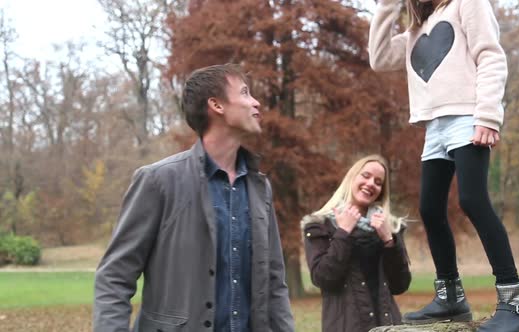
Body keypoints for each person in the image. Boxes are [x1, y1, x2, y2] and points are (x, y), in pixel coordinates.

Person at [369, 0, 519, 331]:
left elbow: (490, 55)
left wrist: (488, 115)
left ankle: (515, 303)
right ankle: (451, 298)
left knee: (472, 201)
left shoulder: (466, 4)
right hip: (435, 126)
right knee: (429, 209)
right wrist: (387, 5)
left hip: (468, 115)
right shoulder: (418, 28)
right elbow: (379, 58)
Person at [93, 64, 295, 332]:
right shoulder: (158, 181)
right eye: (245, 93)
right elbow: (115, 276)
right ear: (216, 105)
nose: (256, 102)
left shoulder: (260, 187)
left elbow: (274, 282)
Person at [301, 155, 411, 332]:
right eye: (365, 176)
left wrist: (389, 241)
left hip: (388, 326)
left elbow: (400, 285)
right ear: (352, 178)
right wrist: (343, 232)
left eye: (378, 182)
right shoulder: (320, 225)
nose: (370, 184)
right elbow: (323, 278)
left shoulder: (388, 228)